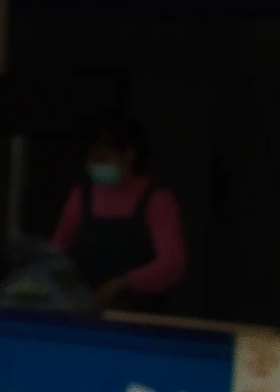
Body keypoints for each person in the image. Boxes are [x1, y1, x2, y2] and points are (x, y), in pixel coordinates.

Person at [51, 115, 186, 312]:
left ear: (129, 154)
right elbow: (58, 249)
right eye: (92, 158)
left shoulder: (156, 199)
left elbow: (172, 264)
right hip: (85, 312)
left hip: (139, 317)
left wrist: (121, 284)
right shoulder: (81, 195)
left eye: (103, 158)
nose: (97, 164)